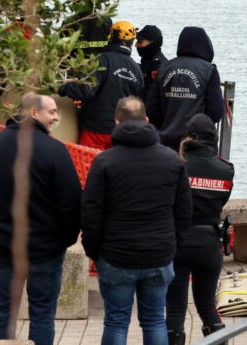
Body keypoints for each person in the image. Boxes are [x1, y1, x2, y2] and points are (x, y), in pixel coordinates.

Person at [0, 94, 82, 345]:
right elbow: (72, 203)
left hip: (6, 245)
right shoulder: (55, 150)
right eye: (52, 111)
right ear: (32, 113)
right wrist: (65, 238)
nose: (56, 117)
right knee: (42, 315)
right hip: (46, 249)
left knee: (3, 314)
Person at [81, 96, 191, 345]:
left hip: (116, 254)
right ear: (148, 120)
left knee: (116, 321)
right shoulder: (172, 160)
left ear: (116, 122)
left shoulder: (105, 161)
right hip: (159, 252)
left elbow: (90, 211)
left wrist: (94, 250)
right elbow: (184, 210)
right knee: (154, 319)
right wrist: (172, 244)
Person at [165, 113, 234, 344]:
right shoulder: (226, 170)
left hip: (179, 242)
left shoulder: (176, 164)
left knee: (175, 309)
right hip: (209, 242)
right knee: (207, 307)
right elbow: (221, 202)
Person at [60, 20, 144, 150]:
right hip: (120, 132)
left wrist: (60, 87)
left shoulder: (101, 60)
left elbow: (85, 89)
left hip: (94, 130)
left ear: (111, 37)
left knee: (86, 167)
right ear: (131, 42)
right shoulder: (136, 69)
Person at [147, 26, 224, 150]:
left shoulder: (164, 68)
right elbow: (215, 113)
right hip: (198, 145)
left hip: (166, 145)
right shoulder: (209, 70)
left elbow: (152, 111)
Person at [135, 24, 167, 102]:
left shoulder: (159, 65)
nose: (136, 45)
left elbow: (150, 97)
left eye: (140, 42)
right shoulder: (147, 61)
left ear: (152, 43)